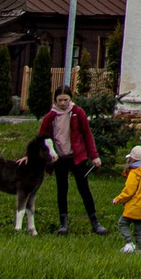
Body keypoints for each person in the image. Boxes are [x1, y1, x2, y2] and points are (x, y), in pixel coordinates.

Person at [39, 86, 105, 235]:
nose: (63, 103)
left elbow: (87, 134)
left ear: (71, 99)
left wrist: (94, 156)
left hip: (77, 157)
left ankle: (95, 223)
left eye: (66, 100)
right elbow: (41, 137)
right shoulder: (50, 117)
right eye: (60, 100)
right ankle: (63, 224)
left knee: (84, 188)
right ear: (55, 100)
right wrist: (28, 156)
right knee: (62, 190)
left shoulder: (77, 112)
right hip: (59, 158)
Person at [112, 144, 141, 253]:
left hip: (134, 207)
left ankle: (129, 244)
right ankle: (140, 251)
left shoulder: (134, 173)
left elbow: (129, 191)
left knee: (122, 223)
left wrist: (118, 199)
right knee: (139, 229)